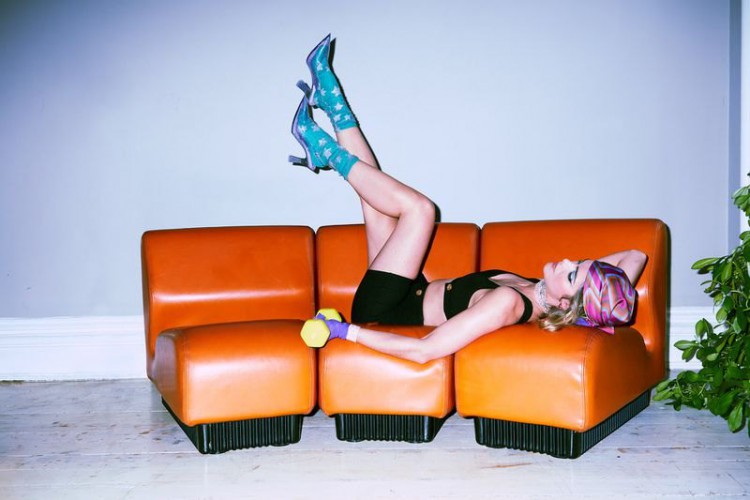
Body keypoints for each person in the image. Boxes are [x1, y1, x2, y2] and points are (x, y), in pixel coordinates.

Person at [289, 35, 648, 364]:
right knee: (377, 207)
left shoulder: (510, 303)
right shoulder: (544, 291)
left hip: (384, 312)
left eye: (571, 274)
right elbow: (635, 256)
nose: (568, 260)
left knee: (420, 211)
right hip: (410, 288)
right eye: (580, 262)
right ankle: (330, 100)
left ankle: (325, 151)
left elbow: (424, 350)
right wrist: (604, 300)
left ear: (565, 303)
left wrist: (344, 331)